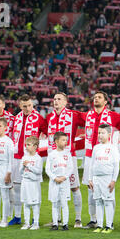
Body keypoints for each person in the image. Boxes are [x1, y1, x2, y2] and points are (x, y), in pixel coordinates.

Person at [81, 91, 120, 229]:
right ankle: (94, 220)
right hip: (90, 155)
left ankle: (109, 221)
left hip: (107, 155)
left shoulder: (113, 116)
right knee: (90, 187)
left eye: (99, 97)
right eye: (94, 97)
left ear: (106, 101)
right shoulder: (87, 115)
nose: (96, 99)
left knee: (109, 190)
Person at [46, 92, 83, 228]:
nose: (56, 101)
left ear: (66, 102)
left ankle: (78, 218)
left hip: (69, 156)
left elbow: (89, 122)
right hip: (54, 157)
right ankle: (58, 219)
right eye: (54, 99)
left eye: (59, 99)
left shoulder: (74, 115)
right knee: (55, 187)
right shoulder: (49, 117)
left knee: (74, 186)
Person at [9, 94, 47, 226]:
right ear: (20, 106)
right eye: (24, 106)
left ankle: (33, 218)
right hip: (17, 156)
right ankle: (18, 216)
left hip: (31, 157)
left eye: (30, 105)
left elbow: (49, 132)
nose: (27, 108)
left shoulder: (39, 118)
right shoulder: (16, 118)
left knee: (33, 188)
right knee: (17, 187)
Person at [88, 124, 120, 234]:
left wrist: (113, 180)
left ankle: (109, 225)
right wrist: (90, 179)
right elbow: (92, 164)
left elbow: (116, 165)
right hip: (96, 178)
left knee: (108, 202)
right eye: (99, 133)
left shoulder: (112, 148)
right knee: (98, 201)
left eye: (103, 133)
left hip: (107, 178)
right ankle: (100, 225)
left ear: (109, 134)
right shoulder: (96, 148)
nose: (100, 135)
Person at [45, 131, 73, 231]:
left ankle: (65, 224)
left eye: (66, 140)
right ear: (56, 141)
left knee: (64, 203)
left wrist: (64, 177)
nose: (65, 142)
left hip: (64, 182)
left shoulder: (67, 154)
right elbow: (47, 169)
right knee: (55, 203)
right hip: (54, 182)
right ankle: (55, 223)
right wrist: (55, 178)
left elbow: (70, 168)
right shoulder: (51, 154)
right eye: (63, 140)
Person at [19, 136, 43, 230]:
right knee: (26, 203)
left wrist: (28, 165)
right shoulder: (24, 157)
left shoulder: (38, 158)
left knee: (35, 203)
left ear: (35, 146)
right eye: (26, 145)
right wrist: (23, 167)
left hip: (34, 183)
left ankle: (36, 223)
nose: (26, 147)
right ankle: (26, 222)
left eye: (29, 145)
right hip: (25, 182)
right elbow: (20, 172)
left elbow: (39, 171)